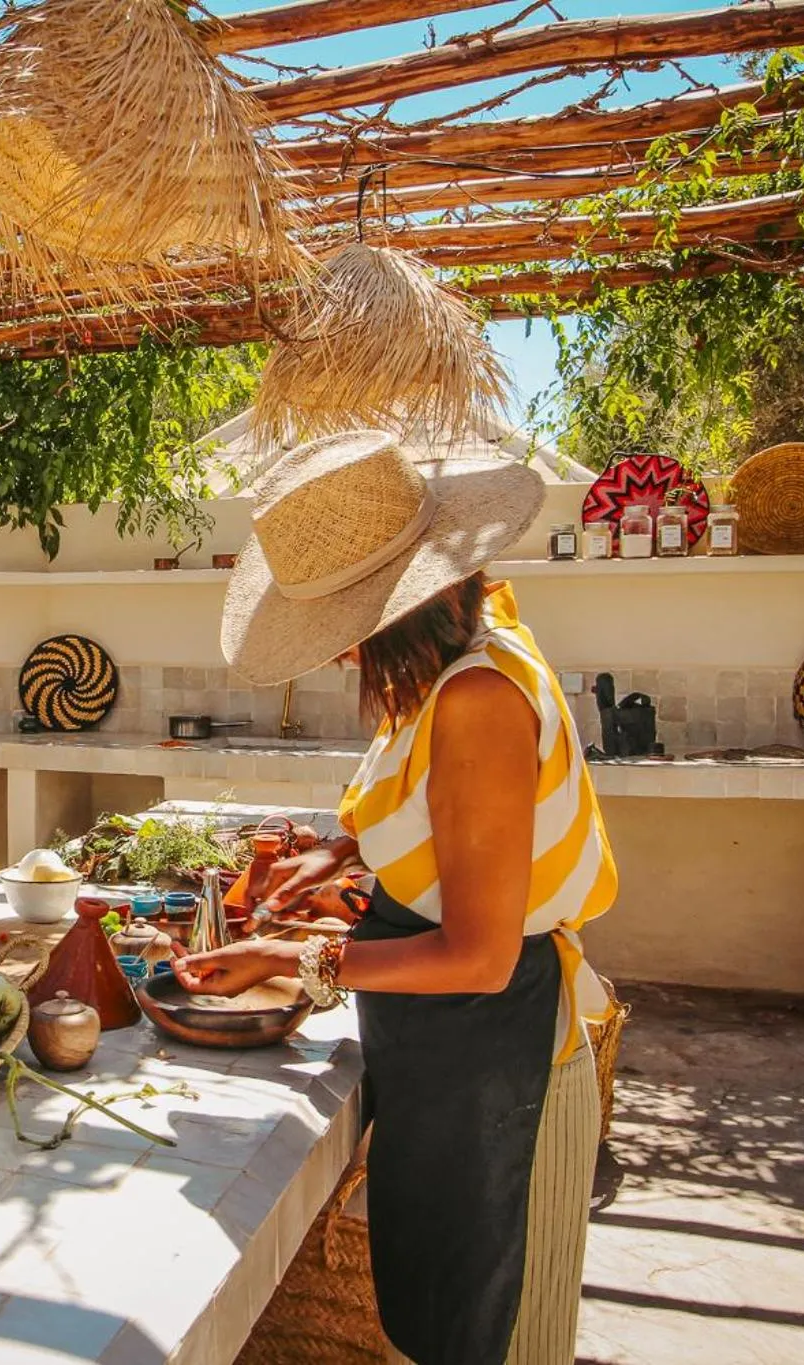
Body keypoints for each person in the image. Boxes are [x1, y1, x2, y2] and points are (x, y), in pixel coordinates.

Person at [175, 431, 616, 1365]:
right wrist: (339, 850)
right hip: (453, 1058)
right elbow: (439, 804)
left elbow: (480, 954)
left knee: (495, 1335)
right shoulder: (466, 655)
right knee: (439, 1326)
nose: (341, 658)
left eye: (346, 629)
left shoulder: (479, 701)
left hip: (503, 1070)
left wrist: (295, 958)